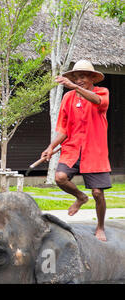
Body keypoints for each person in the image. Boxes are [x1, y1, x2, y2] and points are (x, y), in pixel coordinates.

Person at [41, 60, 111, 242]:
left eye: (83, 76)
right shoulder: (67, 98)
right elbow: (63, 130)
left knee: (97, 192)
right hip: (72, 149)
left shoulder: (101, 92)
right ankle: (80, 197)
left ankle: (100, 226)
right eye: (76, 77)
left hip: (95, 151)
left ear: (92, 78)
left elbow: (98, 102)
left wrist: (73, 86)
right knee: (60, 178)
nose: (79, 80)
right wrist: (50, 147)